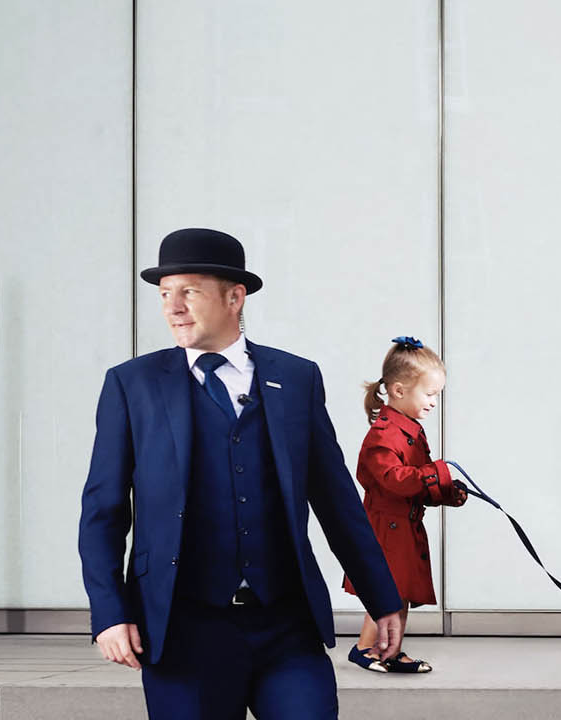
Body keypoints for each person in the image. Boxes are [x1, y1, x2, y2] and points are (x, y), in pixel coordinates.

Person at [79, 228, 406, 718]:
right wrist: (109, 613)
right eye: (165, 294)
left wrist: (383, 599)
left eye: (188, 291)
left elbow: (337, 501)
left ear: (235, 297)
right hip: (181, 630)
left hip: (286, 626)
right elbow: (102, 512)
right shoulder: (132, 385)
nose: (173, 307)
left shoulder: (296, 379)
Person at [341, 336, 466, 673]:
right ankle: (368, 647)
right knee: (388, 588)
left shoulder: (408, 429)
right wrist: (436, 473)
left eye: (436, 395)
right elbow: (394, 479)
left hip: (404, 523)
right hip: (386, 525)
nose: (434, 403)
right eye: (429, 394)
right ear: (398, 391)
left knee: (402, 591)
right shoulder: (383, 434)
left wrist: (446, 491)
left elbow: (413, 481)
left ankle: (390, 650)